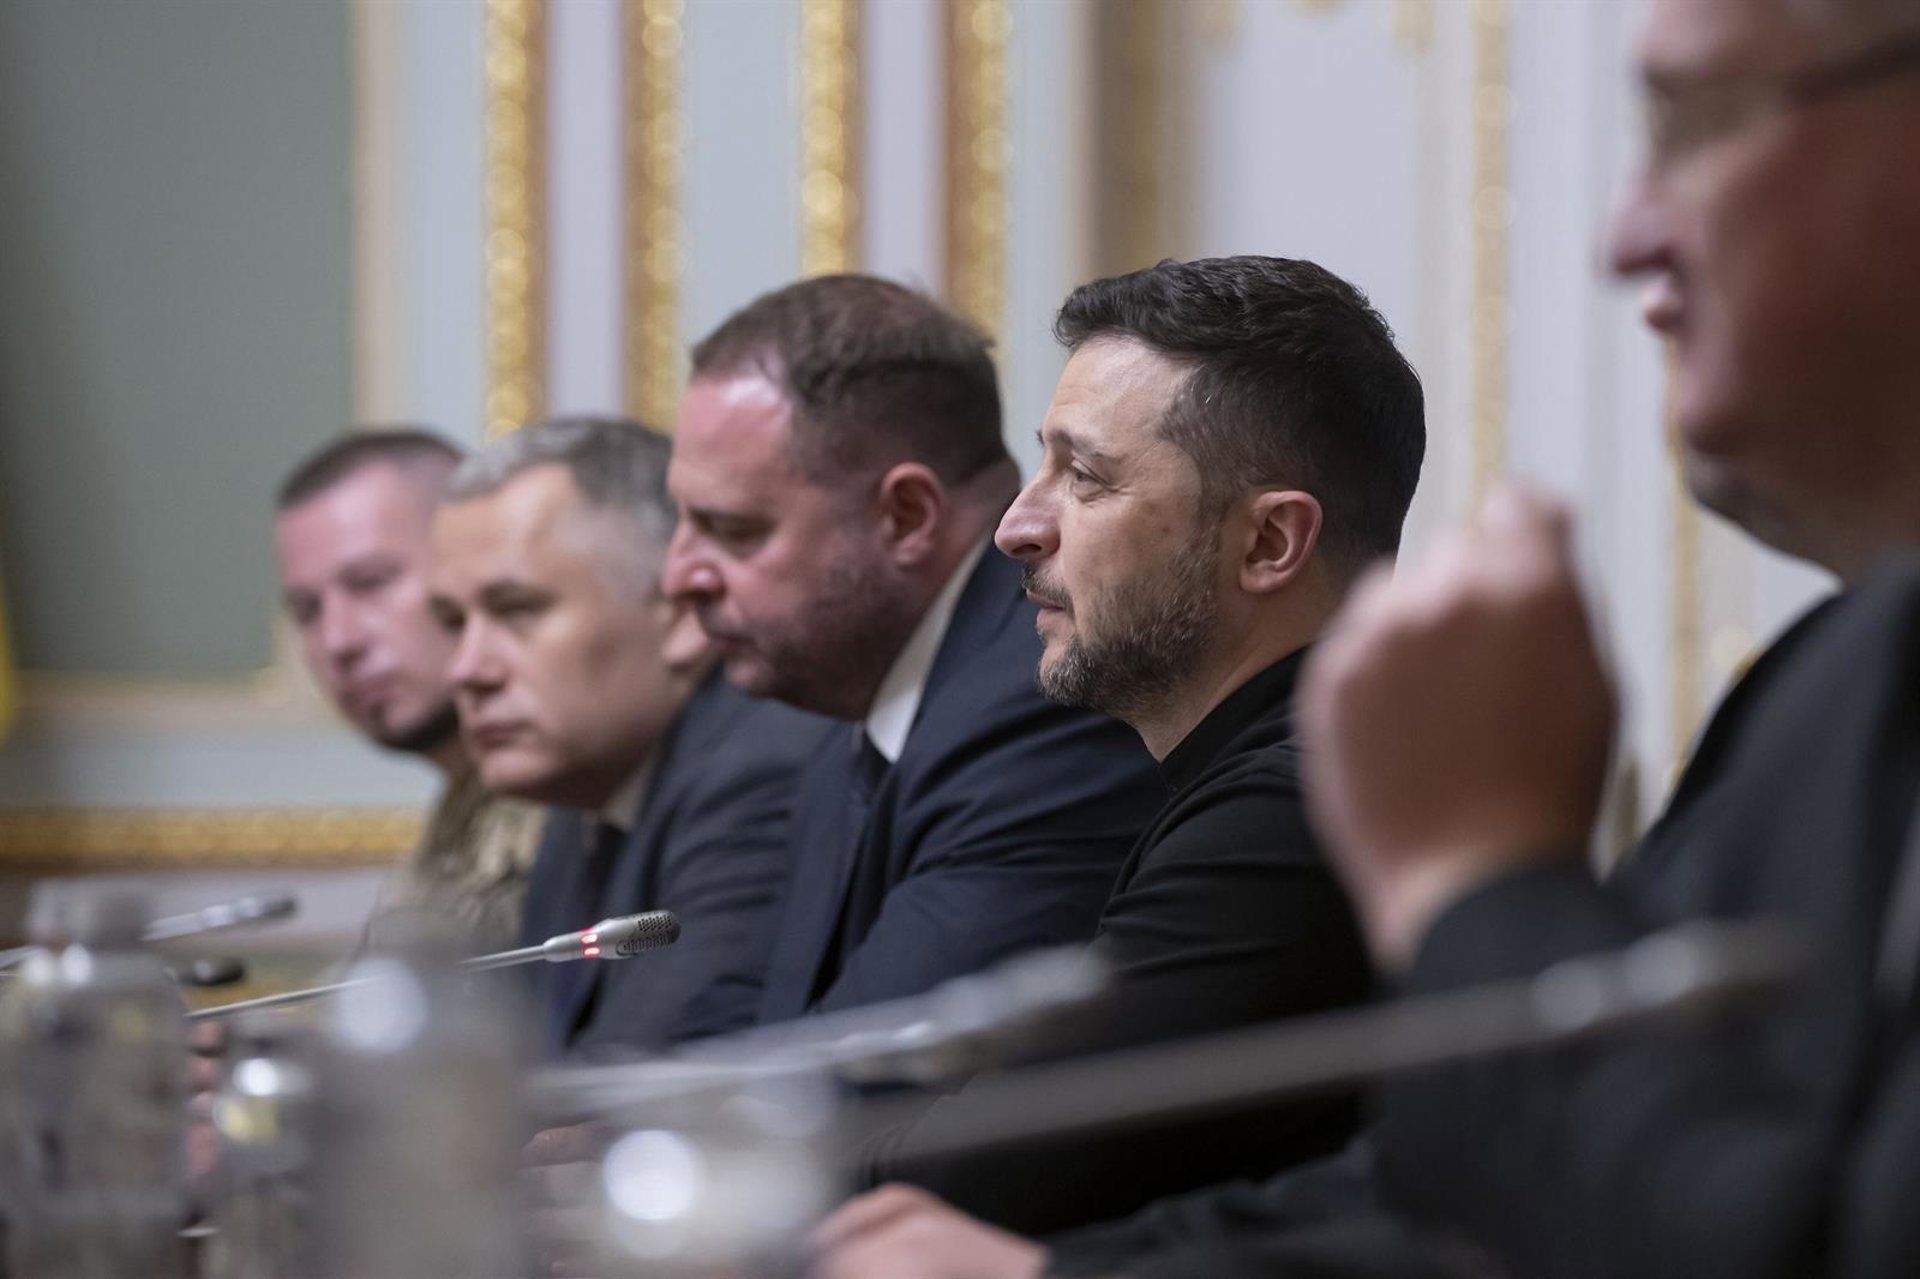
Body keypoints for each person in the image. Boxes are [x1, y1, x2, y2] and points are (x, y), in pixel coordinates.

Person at [813, 0, 1920, 1273]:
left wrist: (1478, 878)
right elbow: (1436, 1198)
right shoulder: (1827, 677)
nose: (1626, 239)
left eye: (1700, 125)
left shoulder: (1298, 805)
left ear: (1270, 544)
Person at [846, 254, 1425, 1238]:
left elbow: (978, 1173)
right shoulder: (1305, 773)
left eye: (1084, 477)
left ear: (1268, 543)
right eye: (1042, 463)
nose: (1018, 527)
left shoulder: (1291, 818)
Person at [662, 275, 1166, 1024]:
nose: (679, 576)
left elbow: (876, 1067)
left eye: (734, 530)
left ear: (906, 516)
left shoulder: (1045, 699)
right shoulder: (851, 703)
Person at [429, 417, 831, 1055]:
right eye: (454, 622)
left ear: (680, 613)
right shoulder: (585, 794)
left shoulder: (758, 775)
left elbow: (634, 1084)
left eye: (518, 609)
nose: (467, 670)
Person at [274, 429, 543, 952]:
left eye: (371, 582)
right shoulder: (451, 831)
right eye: (307, 611)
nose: (337, 640)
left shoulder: (578, 806)